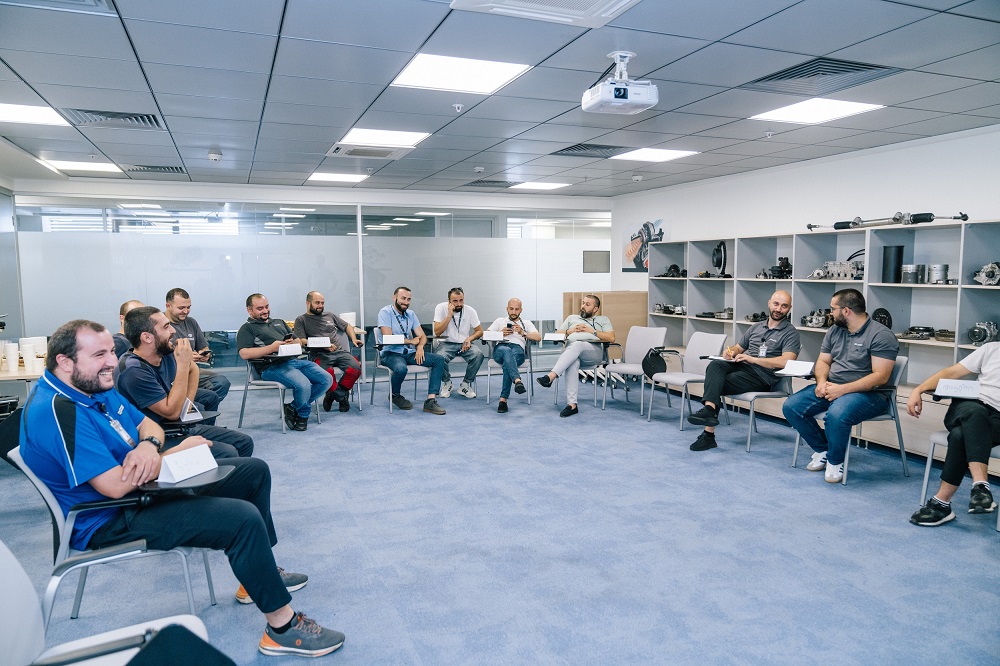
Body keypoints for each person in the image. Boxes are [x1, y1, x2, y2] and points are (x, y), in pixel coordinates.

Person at [18, 320, 345, 657]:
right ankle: (282, 627)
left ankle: (257, 577)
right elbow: (114, 486)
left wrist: (147, 447)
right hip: (110, 517)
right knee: (241, 519)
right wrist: (167, 455)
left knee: (254, 472)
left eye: (111, 353)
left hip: (143, 485)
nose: (112, 363)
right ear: (65, 362)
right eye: (99, 354)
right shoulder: (57, 410)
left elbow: (148, 426)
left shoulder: (92, 385)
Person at [782, 289, 898, 483]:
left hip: (870, 395)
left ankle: (836, 461)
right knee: (792, 407)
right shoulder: (835, 330)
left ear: (846, 311)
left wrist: (842, 390)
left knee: (836, 415)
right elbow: (823, 362)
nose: (830, 313)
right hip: (833, 387)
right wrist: (821, 382)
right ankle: (823, 449)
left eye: (832, 308)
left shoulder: (881, 335)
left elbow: (881, 377)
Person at [116, 306, 254, 458]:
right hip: (157, 436)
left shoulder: (163, 351)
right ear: (147, 337)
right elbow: (172, 412)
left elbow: (192, 368)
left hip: (177, 425)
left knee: (244, 442)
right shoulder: (133, 370)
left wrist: (186, 406)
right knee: (228, 452)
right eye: (166, 327)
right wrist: (182, 365)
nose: (173, 331)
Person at [687, 291, 800, 451]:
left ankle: (708, 432)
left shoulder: (790, 332)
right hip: (743, 366)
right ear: (769, 303)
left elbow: (786, 361)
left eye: (784, 306)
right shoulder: (756, 327)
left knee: (717, 383)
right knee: (715, 365)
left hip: (763, 378)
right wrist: (730, 352)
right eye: (776, 304)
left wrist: (753, 359)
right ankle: (710, 411)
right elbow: (738, 348)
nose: (779, 309)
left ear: (789, 308)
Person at [906, 342, 1000, 526]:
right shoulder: (992, 348)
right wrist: (918, 389)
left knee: (959, 435)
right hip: (971, 406)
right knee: (975, 413)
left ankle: (941, 504)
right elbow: (951, 372)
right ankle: (981, 487)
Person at [237, 294, 332, 431]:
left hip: (293, 361)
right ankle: (302, 415)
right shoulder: (247, 329)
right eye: (260, 308)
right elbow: (244, 354)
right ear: (249, 310)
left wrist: (293, 342)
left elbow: (298, 340)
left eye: (267, 306)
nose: (265, 311)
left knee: (326, 379)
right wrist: (273, 348)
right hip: (271, 367)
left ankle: (292, 407)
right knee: (303, 384)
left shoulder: (279, 322)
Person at [535, 294, 615, 417]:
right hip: (573, 353)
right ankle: (572, 405)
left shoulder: (603, 320)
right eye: (583, 303)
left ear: (595, 309)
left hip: (593, 352)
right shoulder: (572, 318)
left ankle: (551, 376)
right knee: (573, 362)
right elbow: (558, 334)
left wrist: (592, 331)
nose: (583, 306)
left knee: (577, 344)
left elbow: (611, 337)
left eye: (587, 304)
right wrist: (570, 331)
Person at [376, 286, 447, 415]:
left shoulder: (411, 314)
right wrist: (411, 341)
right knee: (401, 368)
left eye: (409, 299)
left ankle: (431, 401)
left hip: (408, 353)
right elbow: (388, 338)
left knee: (438, 360)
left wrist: (420, 347)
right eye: (403, 298)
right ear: (394, 297)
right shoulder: (385, 312)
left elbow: (422, 336)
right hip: (390, 353)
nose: (406, 302)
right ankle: (394, 395)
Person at [293, 291, 362, 413]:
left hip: (340, 352)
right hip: (320, 354)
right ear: (308, 303)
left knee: (356, 368)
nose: (320, 305)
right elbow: (302, 340)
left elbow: (347, 326)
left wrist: (354, 338)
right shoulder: (301, 319)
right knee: (327, 374)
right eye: (317, 303)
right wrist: (324, 345)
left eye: (322, 303)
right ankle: (342, 397)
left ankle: (333, 394)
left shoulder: (330, 315)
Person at [164, 287, 231, 407]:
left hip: (193, 371)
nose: (186, 311)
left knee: (221, 383)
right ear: (168, 306)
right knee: (205, 398)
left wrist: (205, 353)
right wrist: (183, 358)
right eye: (181, 308)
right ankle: (191, 410)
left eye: (188, 307)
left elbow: (203, 347)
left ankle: (194, 410)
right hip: (171, 373)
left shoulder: (191, 322)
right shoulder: (160, 324)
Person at [486, 298, 540, 413]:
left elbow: (538, 337)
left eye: (516, 309)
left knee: (508, 362)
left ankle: (503, 400)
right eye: (511, 309)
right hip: (501, 348)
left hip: (518, 350)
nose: (514, 312)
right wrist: (499, 333)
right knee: (507, 351)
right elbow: (486, 335)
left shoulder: (526, 323)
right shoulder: (500, 321)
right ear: (507, 309)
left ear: (521, 310)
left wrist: (523, 333)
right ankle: (517, 380)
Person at [432, 287, 484, 399]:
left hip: (465, 343)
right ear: (449, 301)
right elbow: (437, 331)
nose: (459, 304)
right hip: (447, 343)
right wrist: (449, 315)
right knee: (438, 358)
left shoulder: (470, 310)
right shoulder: (441, 308)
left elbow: (479, 331)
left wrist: (469, 339)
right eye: (455, 301)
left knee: (478, 355)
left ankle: (465, 384)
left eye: (461, 300)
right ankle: (447, 383)